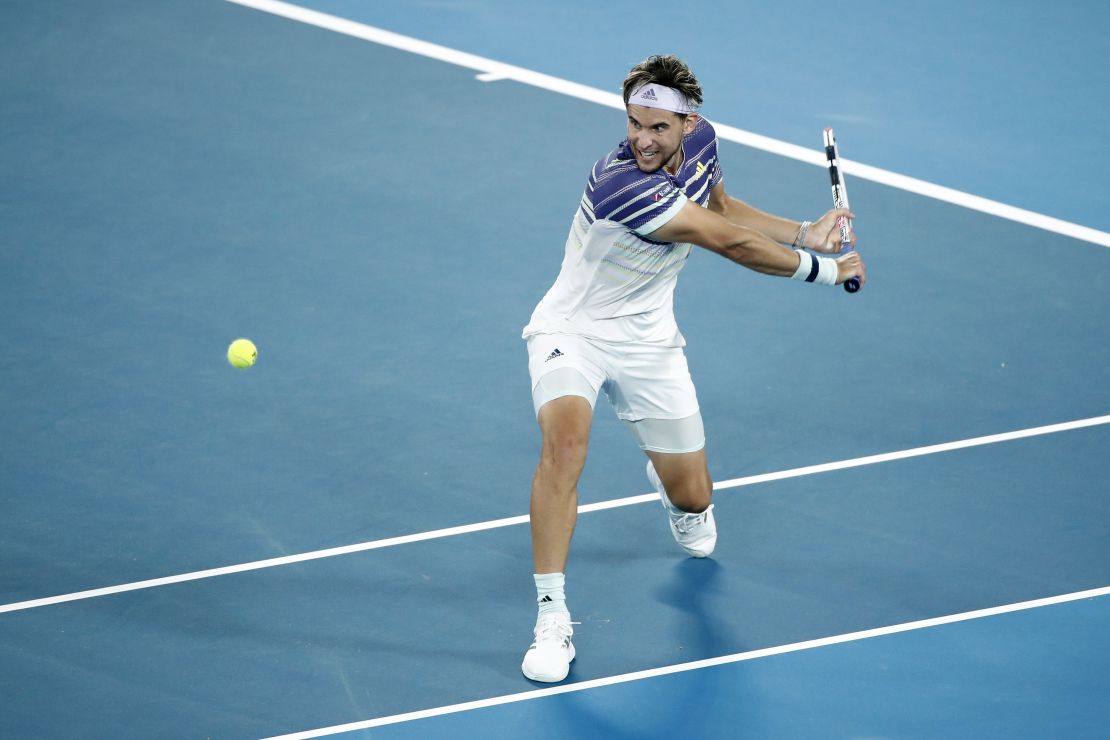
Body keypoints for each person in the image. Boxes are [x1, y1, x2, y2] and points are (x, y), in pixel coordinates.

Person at [519, 54, 866, 683]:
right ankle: (551, 618)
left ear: (689, 123)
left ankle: (674, 488)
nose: (642, 139)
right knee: (564, 450)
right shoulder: (619, 181)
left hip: (650, 340)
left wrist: (803, 233)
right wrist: (825, 269)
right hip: (572, 329)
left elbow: (722, 206)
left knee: (694, 499)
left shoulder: (703, 143)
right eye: (633, 124)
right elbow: (723, 240)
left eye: (657, 127)